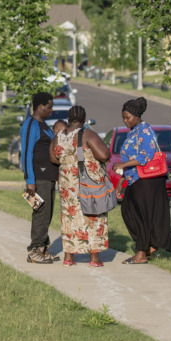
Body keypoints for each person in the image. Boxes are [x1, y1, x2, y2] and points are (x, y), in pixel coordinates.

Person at [113, 97, 171, 264]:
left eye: (128, 117)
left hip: (147, 180)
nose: (125, 121)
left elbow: (145, 156)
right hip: (135, 179)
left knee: (141, 216)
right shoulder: (133, 131)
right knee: (128, 211)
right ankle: (149, 245)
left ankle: (142, 253)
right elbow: (130, 157)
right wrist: (121, 182)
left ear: (136, 116)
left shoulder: (145, 130)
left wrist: (122, 164)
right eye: (123, 118)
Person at [50, 105, 112, 267]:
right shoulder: (88, 134)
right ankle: (94, 258)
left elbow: (53, 158)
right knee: (93, 217)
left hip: (67, 185)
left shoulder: (59, 136)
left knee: (69, 218)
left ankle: (69, 257)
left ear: (69, 119)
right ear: (84, 119)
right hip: (88, 183)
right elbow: (104, 155)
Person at [20, 91, 60, 264]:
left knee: (47, 213)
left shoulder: (44, 125)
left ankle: (43, 248)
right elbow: (26, 153)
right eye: (49, 107)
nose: (51, 110)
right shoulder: (31, 125)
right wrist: (30, 181)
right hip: (38, 178)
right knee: (40, 213)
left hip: (49, 177)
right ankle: (34, 250)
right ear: (40, 106)